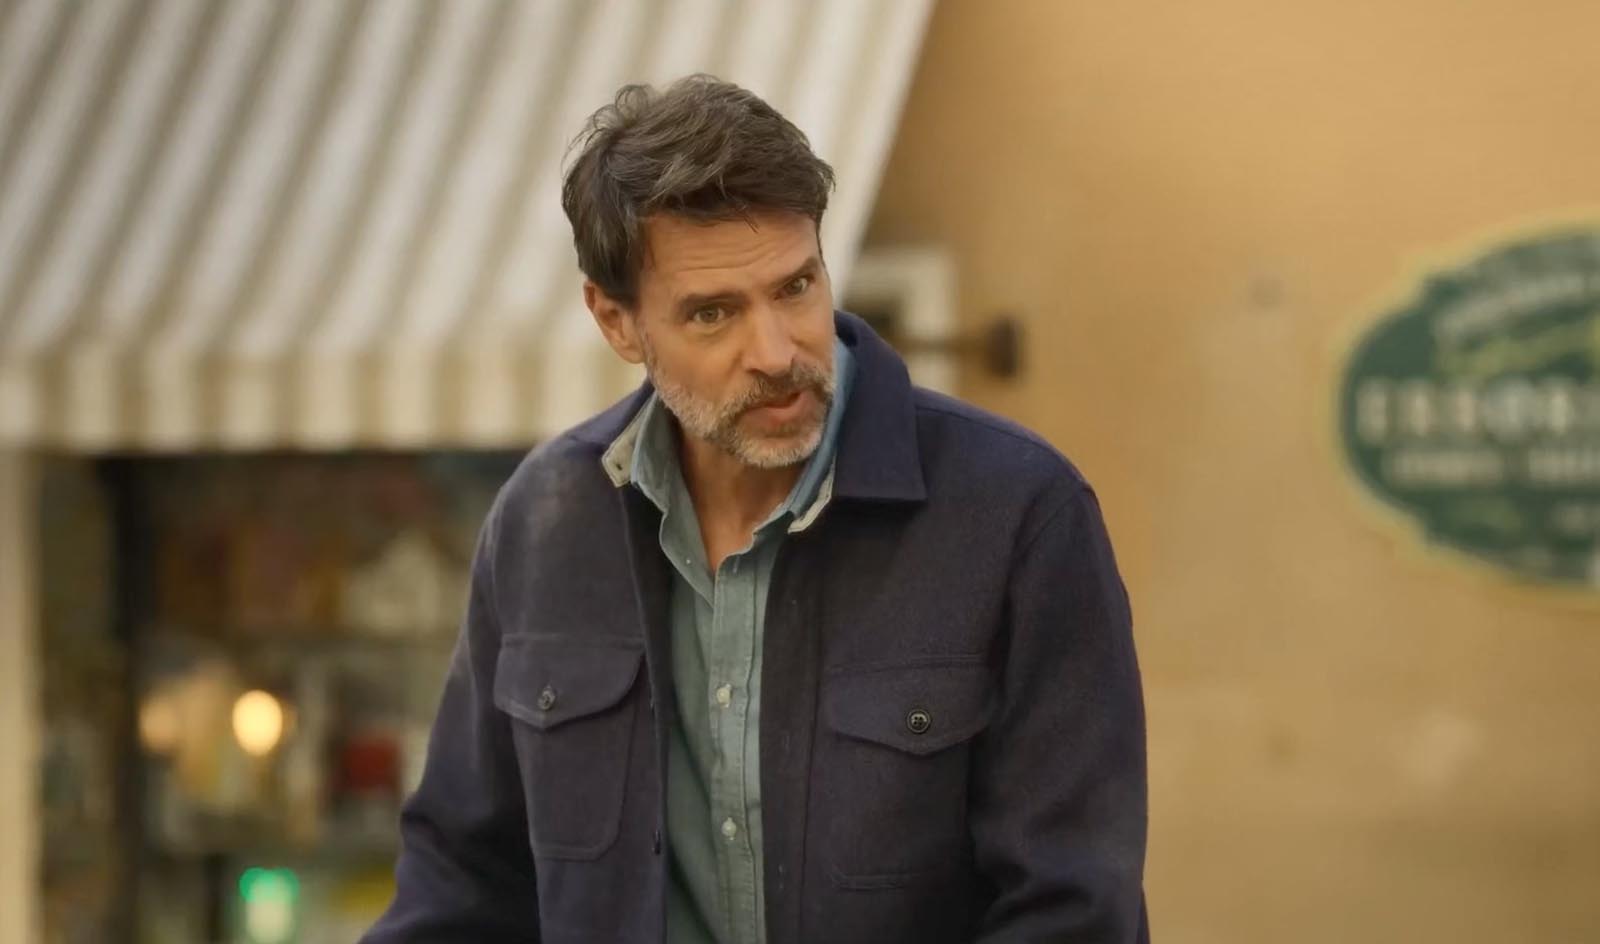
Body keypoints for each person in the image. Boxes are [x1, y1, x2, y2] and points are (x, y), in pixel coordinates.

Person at [363, 74, 1149, 944]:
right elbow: (463, 883)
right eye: (713, 314)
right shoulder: (544, 524)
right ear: (616, 322)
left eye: (795, 287)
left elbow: (1075, 910)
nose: (775, 353)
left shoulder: (1018, 515)